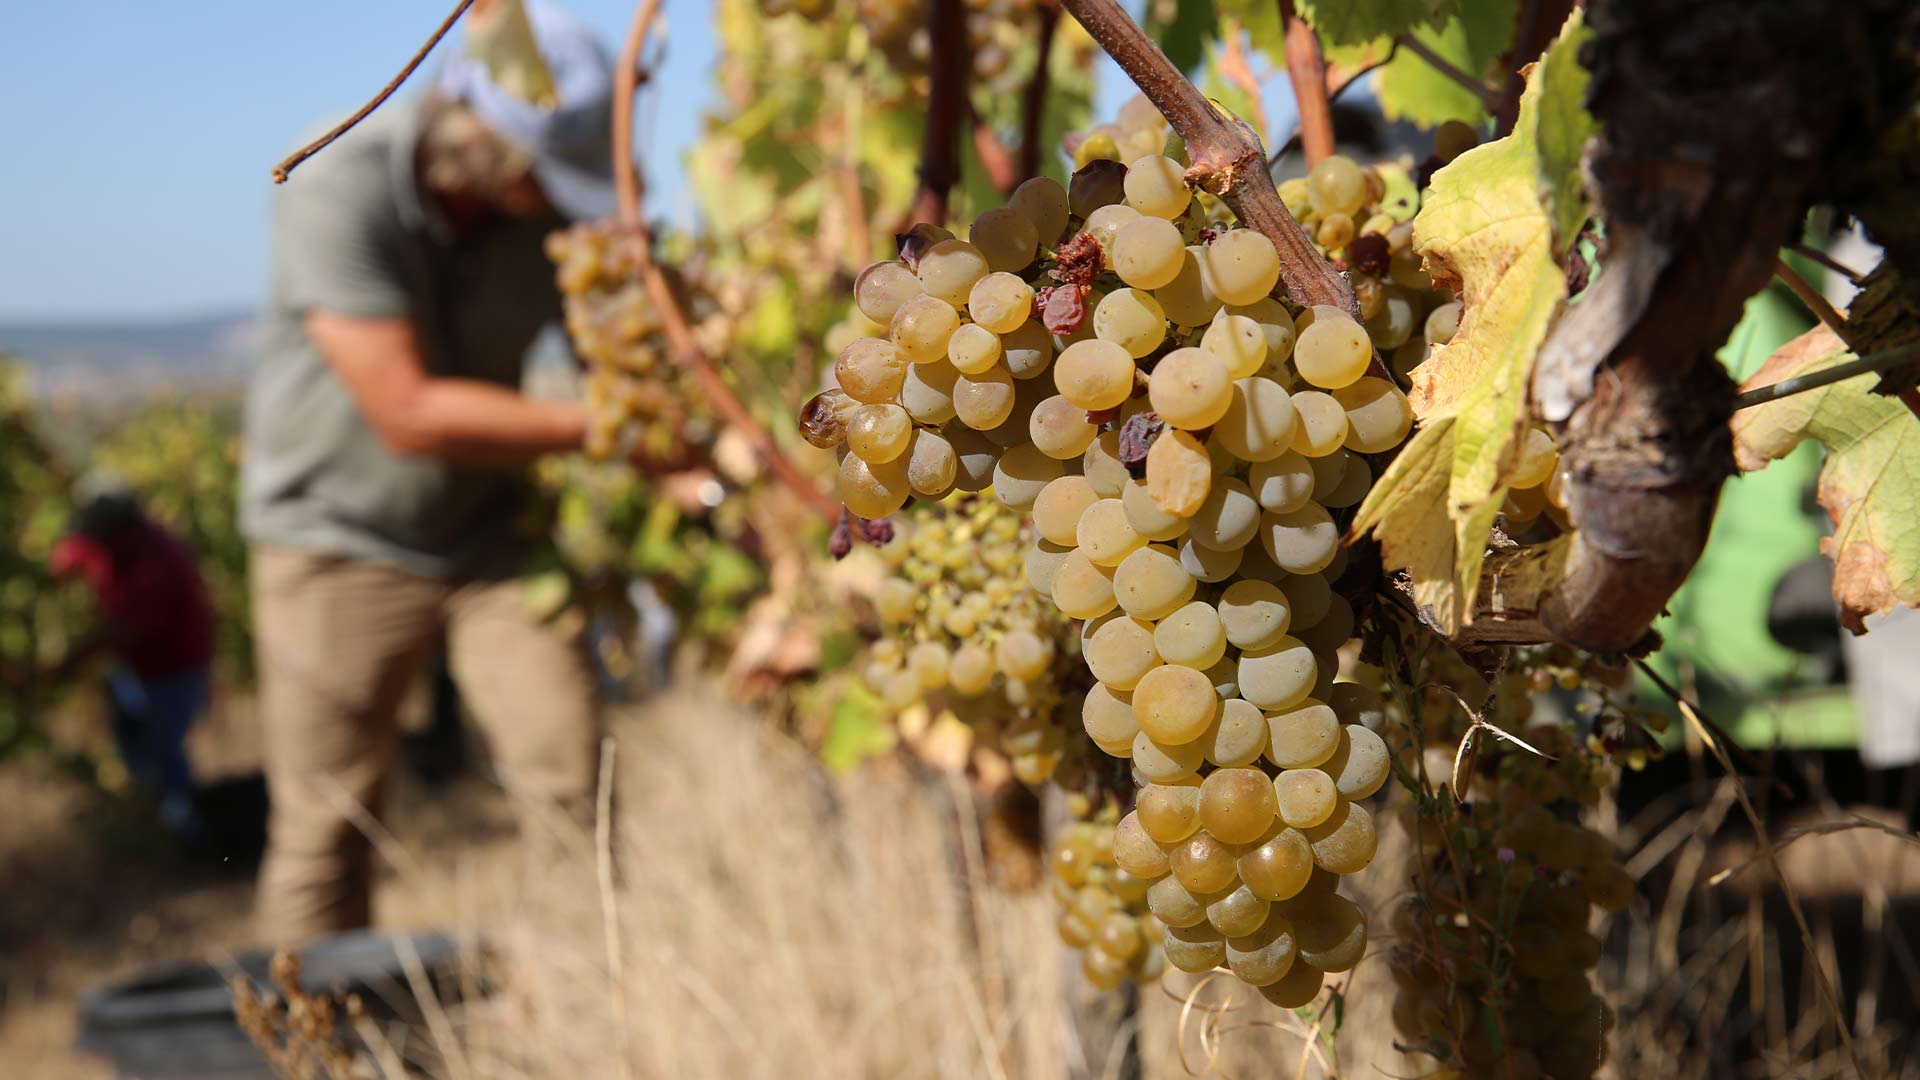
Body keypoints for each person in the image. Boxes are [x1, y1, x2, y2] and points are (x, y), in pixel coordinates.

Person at [243, 2, 649, 943]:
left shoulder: (545, 215)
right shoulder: (338, 178)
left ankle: (581, 1027)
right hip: (333, 540)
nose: (545, 198)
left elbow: (619, 353)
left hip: (487, 540)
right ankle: (314, 1040)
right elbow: (406, 411)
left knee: (570, 779)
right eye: (536, 174)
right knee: (324, 825)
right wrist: (617, 433)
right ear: (477, 139)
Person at [47, 476, 215, 845]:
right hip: (136, 666)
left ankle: (186, 834)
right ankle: (149, 810)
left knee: (166, 749)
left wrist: (63, 665)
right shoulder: (108, 541)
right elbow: (66, 560)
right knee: (132, 734)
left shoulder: (157, 562)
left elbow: (122, 631)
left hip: (175, 668)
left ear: (122, 527)